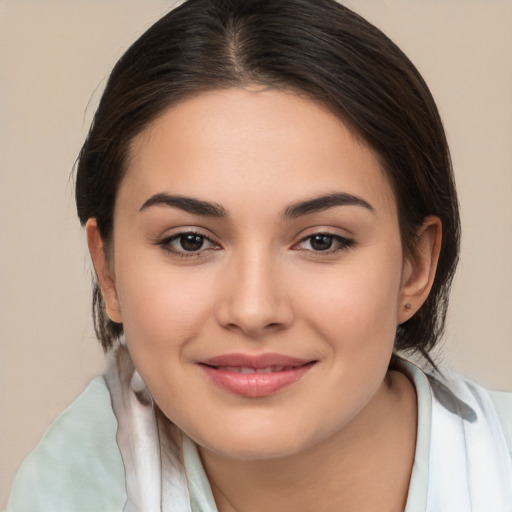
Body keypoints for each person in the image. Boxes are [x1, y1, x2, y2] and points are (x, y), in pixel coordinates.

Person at [6, 0, 512, 510]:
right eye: (190, 241)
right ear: (108, 271)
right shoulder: (63, 494)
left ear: (415, 267)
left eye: (321, 241)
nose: (253, 310)